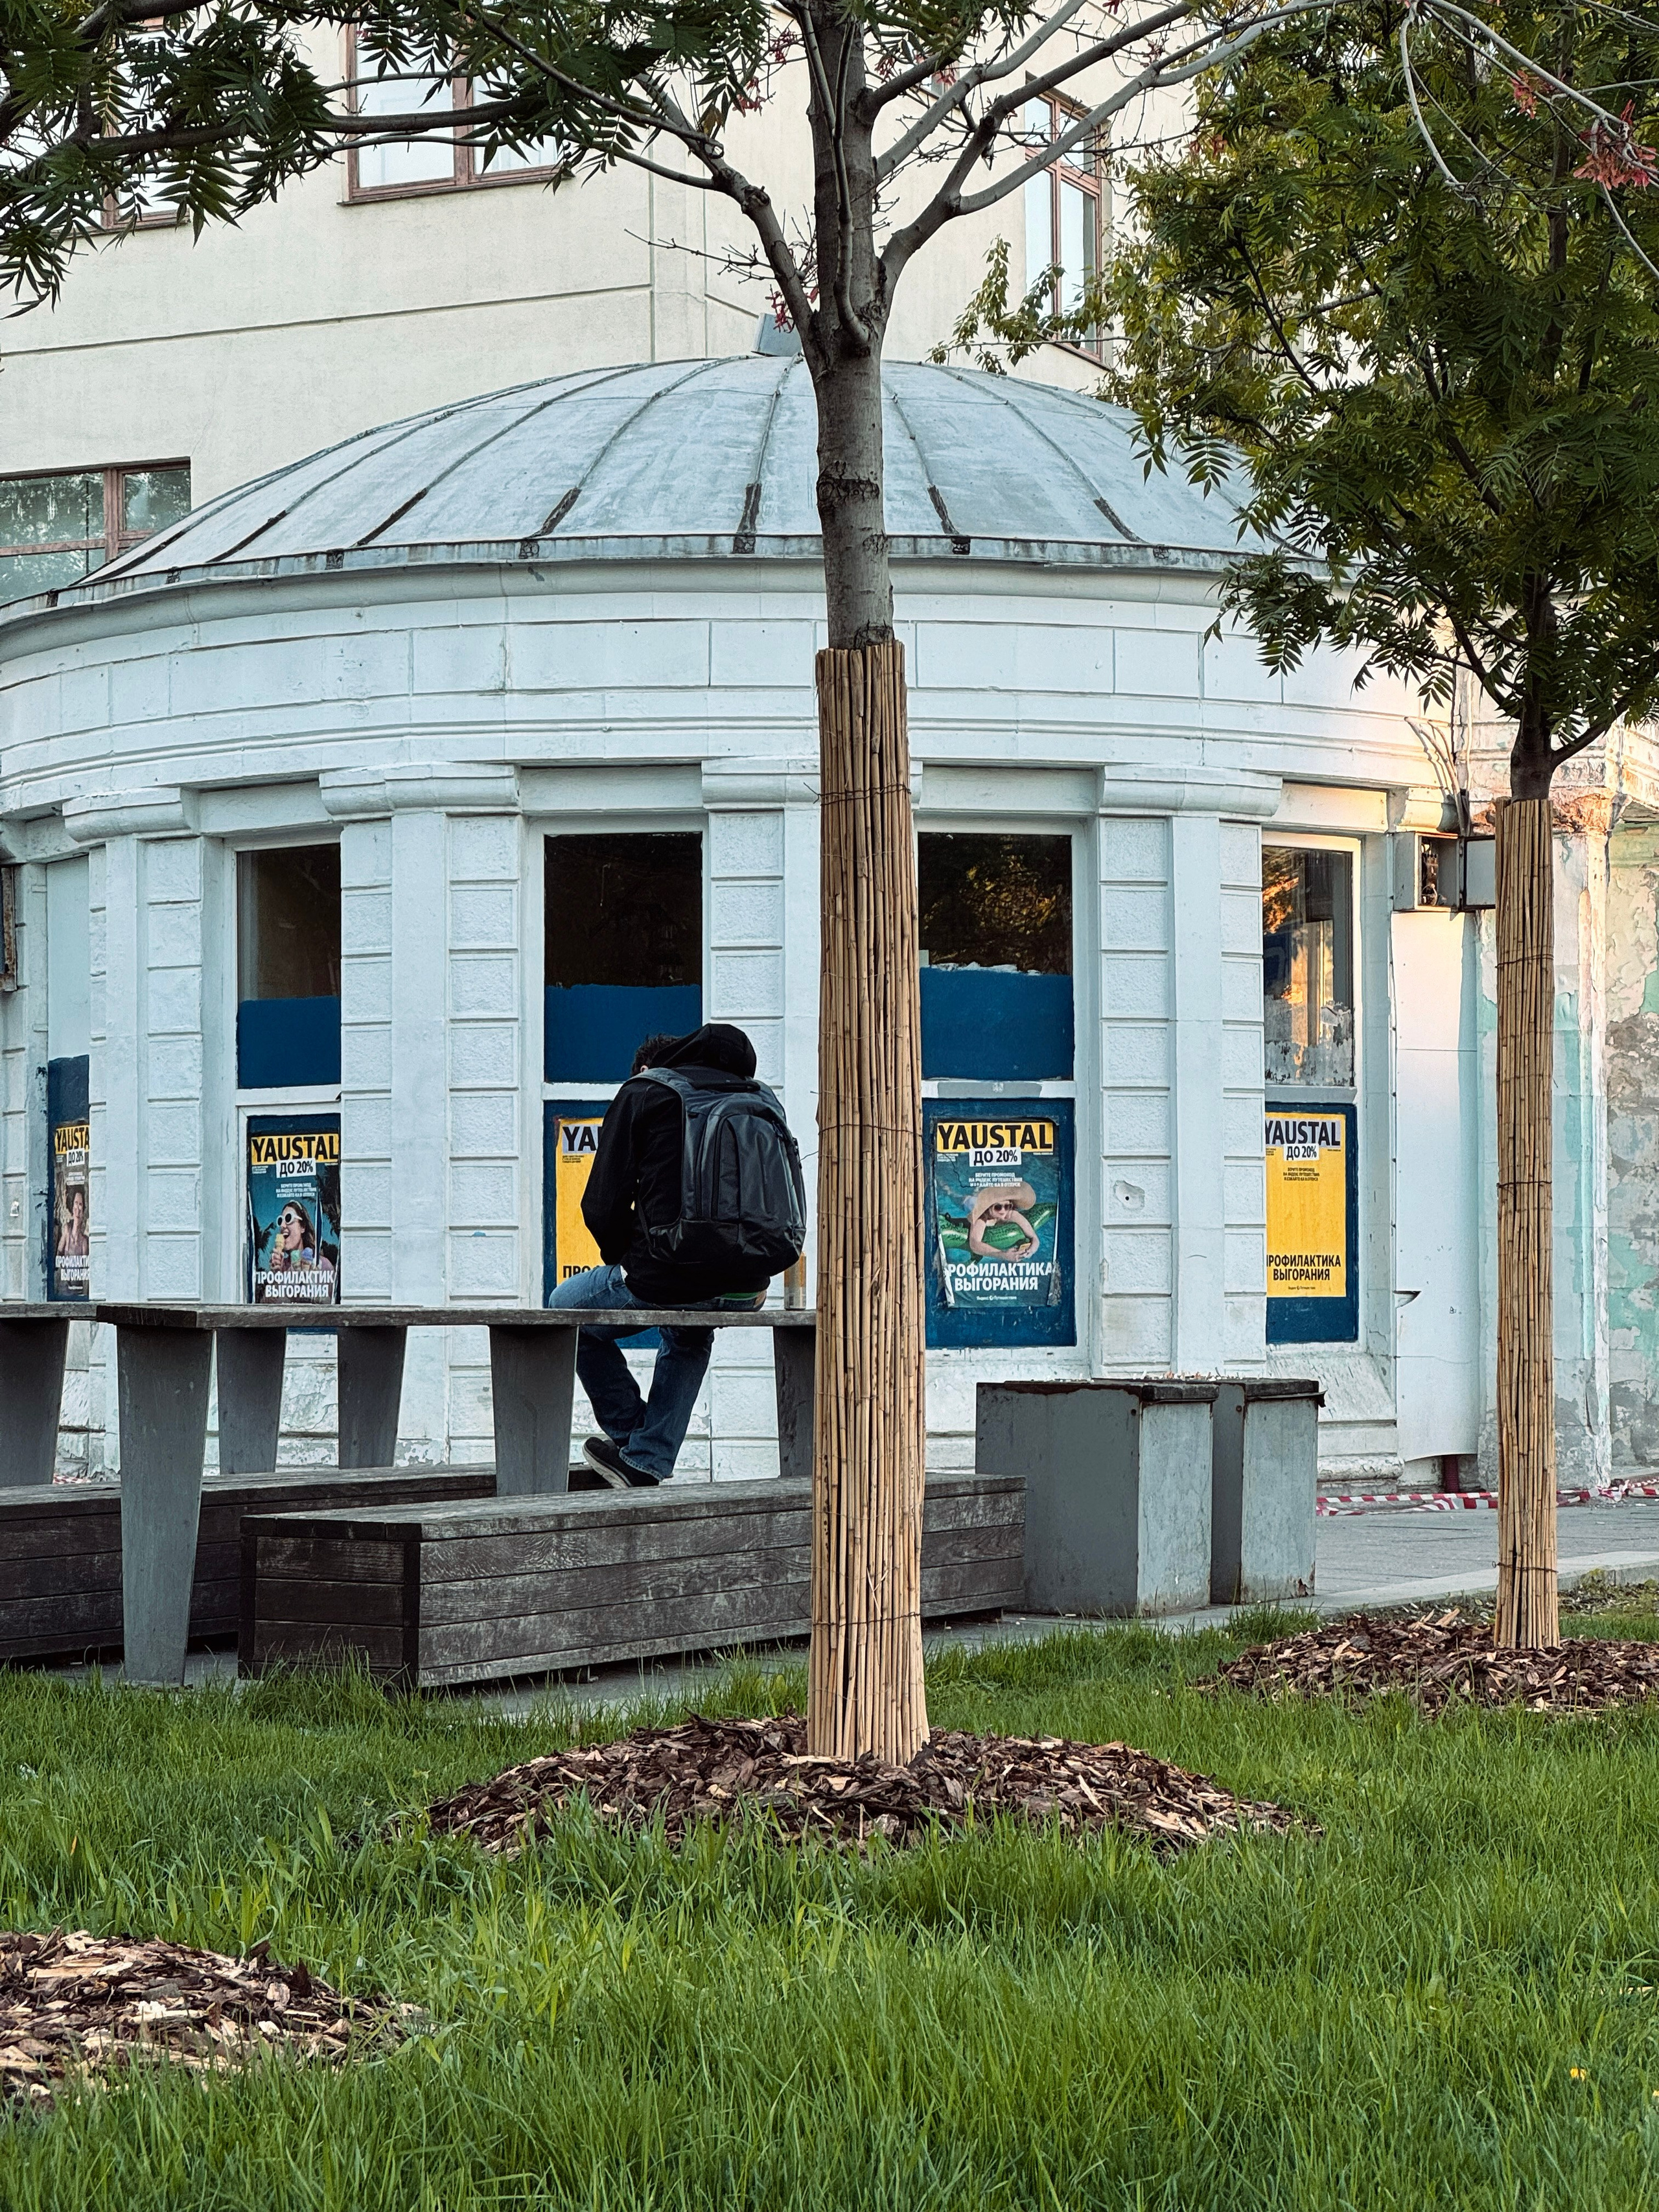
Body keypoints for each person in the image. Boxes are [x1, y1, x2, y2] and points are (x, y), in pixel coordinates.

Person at [553, 1023, 786, 1487]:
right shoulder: (760, 1098)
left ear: (646, 1067)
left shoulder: (645, 1090)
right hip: (750, 1285)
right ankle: (645, 1455)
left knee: (564, 1311)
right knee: (690, 1332)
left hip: (666, 1274)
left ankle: (638, 1443)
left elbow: (600, 1204)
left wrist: (626, 1258)